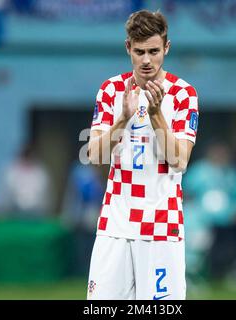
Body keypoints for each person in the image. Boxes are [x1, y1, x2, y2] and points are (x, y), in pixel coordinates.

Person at [86, 10, 199, 300]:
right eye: (139, 52)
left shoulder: (184, 94)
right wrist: (122, 119)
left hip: (162, 224)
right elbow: (95, 154)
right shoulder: (111, 90)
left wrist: (155, 114)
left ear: (167, 48)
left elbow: (180, 161)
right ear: (128, 48)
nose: (147, 60)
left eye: (154, 51)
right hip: (115, 222)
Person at [183, 140, 236, 283]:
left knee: (226, 249)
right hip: (200, 220)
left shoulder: (234, 174)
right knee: (196, 245)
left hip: (227, 222)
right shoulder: (199, 171)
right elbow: (185, 191)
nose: (219, 156)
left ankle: (224, 273)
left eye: (222, 154)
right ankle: (193, 275)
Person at [0, 142, 52, 218]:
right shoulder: (10, 172)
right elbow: (4, 196)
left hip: (36, 215)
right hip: (14, 213)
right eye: (25, 155)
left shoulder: (40, 173)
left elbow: (46, 198)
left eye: (29, 155)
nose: (27, 158)